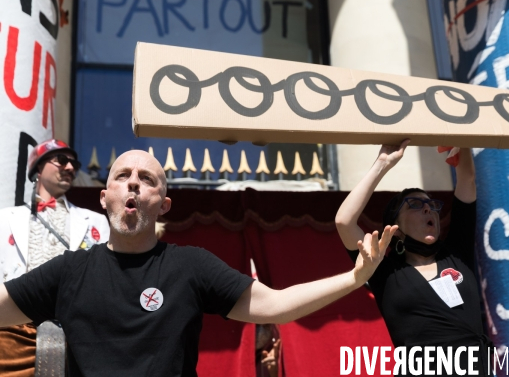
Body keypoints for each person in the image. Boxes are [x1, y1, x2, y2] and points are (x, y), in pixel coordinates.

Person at [0, 150, 396, 376]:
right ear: (104, 198)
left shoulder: (189, 266)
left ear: (164, 204)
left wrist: (354, 277)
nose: (134, 182)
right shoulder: (70, 271)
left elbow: (275, 304)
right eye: (122, 176)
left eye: (147, 178)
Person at [335, 140, 490, 376]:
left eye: (431, 204)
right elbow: (344, 222)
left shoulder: (457, 253)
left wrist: (462, 142)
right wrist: (383, 163)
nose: (428, 209)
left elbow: (467, 180)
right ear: (395, 228)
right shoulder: (383, 272)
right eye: (416, 205)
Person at [0, 139, 110, 376]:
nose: (70, 168)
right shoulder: (5, 219)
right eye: (61, 160)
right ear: (38, 168)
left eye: (74, 163)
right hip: (13, 333)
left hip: (74, 332)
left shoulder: (96, 221)